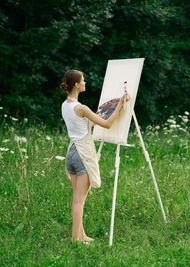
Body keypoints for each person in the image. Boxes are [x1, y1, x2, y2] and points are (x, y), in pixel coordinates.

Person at [60, 69, 130, 243]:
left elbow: (81, 127)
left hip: (72, 153)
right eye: (83, 80)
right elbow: (107, 124)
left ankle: (80, 234)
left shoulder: (65, 105)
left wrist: (92, 119)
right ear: (76, 84)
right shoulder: (81, 108)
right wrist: (120, 105)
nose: (85, 83)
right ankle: (76, 239)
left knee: (77, 199)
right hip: (83, 154)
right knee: (79, 201)